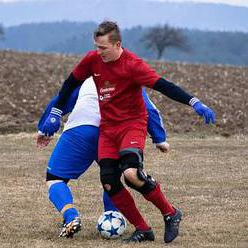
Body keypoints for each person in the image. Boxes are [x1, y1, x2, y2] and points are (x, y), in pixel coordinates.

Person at [41, 21, 216, 243]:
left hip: (131, 125)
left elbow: (164, 86)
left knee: (131, 174)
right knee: (109, 181)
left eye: (103, 48)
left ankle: (171, 213)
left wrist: (194, 102)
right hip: (107, 129)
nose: (98, 52)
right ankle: (143, 229)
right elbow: (69, 84)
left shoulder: (133, 65)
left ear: (117, 44)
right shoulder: (92, 60)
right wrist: (56, 111)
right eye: (96, 46)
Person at [37, 77, 169, 238]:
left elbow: (60, 100)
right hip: (111, 132)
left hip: (80, 129)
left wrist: (44, 129)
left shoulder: (89, 77)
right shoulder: (129, 78)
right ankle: (112, 215)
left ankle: (71, 216)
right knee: (112, 178)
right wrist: (159, 138)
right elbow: (149, 109)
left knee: (55, 179)